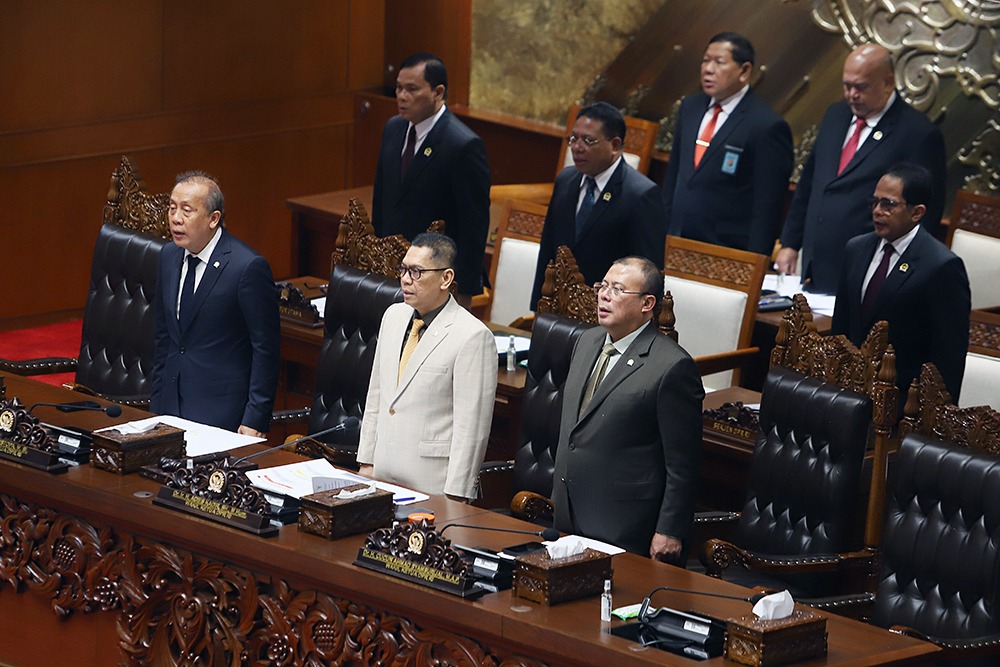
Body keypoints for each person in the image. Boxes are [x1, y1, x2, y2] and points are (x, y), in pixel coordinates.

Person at [552, 256, 704, 560]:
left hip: (624, 524)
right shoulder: (587, 340)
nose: (604, 295)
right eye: (603, 286)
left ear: (647, 303)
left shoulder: (672, 366)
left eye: (618, 290)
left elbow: (683, 463)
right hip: (568, 512)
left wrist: (669, 530)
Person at [777, 44, 947, 294]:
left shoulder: (918, 134)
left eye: (860, 87)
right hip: (812, 267)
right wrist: (790, 243)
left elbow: (925, 216)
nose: (851, 95)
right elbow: (810, 182)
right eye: (846, 86)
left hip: (868, 272)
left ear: (888, 83)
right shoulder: (836, 115)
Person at [358, 232, 497, 500]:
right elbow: (377, 394)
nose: (406, 279)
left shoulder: (472, 336)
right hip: (381, 476)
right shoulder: (393, 316)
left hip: (432, 486)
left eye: (417, 272)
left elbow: (472, 429)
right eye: (404, 269)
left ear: (446, 278)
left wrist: (456, 496)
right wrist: (366, 461)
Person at [151, 172, 280, 436]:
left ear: (213, 219)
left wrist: (255, 418)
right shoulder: (168, 256)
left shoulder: (246, 268)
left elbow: (265, 349)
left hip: (222, 413)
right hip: (169, 407)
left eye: (187, 210)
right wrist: (156, 402)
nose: (176, 218)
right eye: (172, 208)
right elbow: (164, 338)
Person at [831, 163, 970, 403]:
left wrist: (931, 418)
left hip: (903, 406)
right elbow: (840, 328)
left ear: (917, 213)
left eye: (888, 204)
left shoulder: (941, 267)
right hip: (847, 396)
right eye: (874, 202)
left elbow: (948, 356)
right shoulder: (856, 249)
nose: (877, 211)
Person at [371, 53, 491, 308]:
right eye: (399, 88)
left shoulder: (462, 144)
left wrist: (465, 291)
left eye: (412, 89)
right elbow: (382, 200)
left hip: (436, 280)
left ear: (438, 92)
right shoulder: (393, 128)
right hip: (392, 270)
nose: (402, 96)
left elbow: (474, 226)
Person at [662, 32, 793, 256]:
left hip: (725, 249)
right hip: (675, 239)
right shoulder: (690, 107)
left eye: (719, 62)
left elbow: (767, 207)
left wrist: (754, 263)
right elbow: (674, 174)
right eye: (705, 60)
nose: (708, 69)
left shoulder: (766, 125)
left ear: (744, 71)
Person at [531, 102, 665, 308]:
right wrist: (539, 306)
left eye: (588, 140)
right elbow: (548, 250)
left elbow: (647, 274)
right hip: (558, 309)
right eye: (573, 138)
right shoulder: (566, 181)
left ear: (615, 145)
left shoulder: (641, 195)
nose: (577, 147)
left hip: (609, 316)